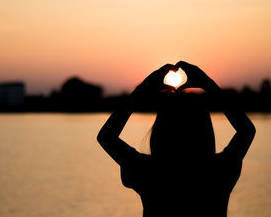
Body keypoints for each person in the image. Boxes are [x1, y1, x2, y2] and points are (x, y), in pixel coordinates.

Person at [97, 61, 256, 217]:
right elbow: (246, 130)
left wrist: (140, 91)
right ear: (204, 130)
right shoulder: (219, 171)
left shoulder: (148, 172)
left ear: (160, 132)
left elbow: (106, 137)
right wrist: (209, 85)